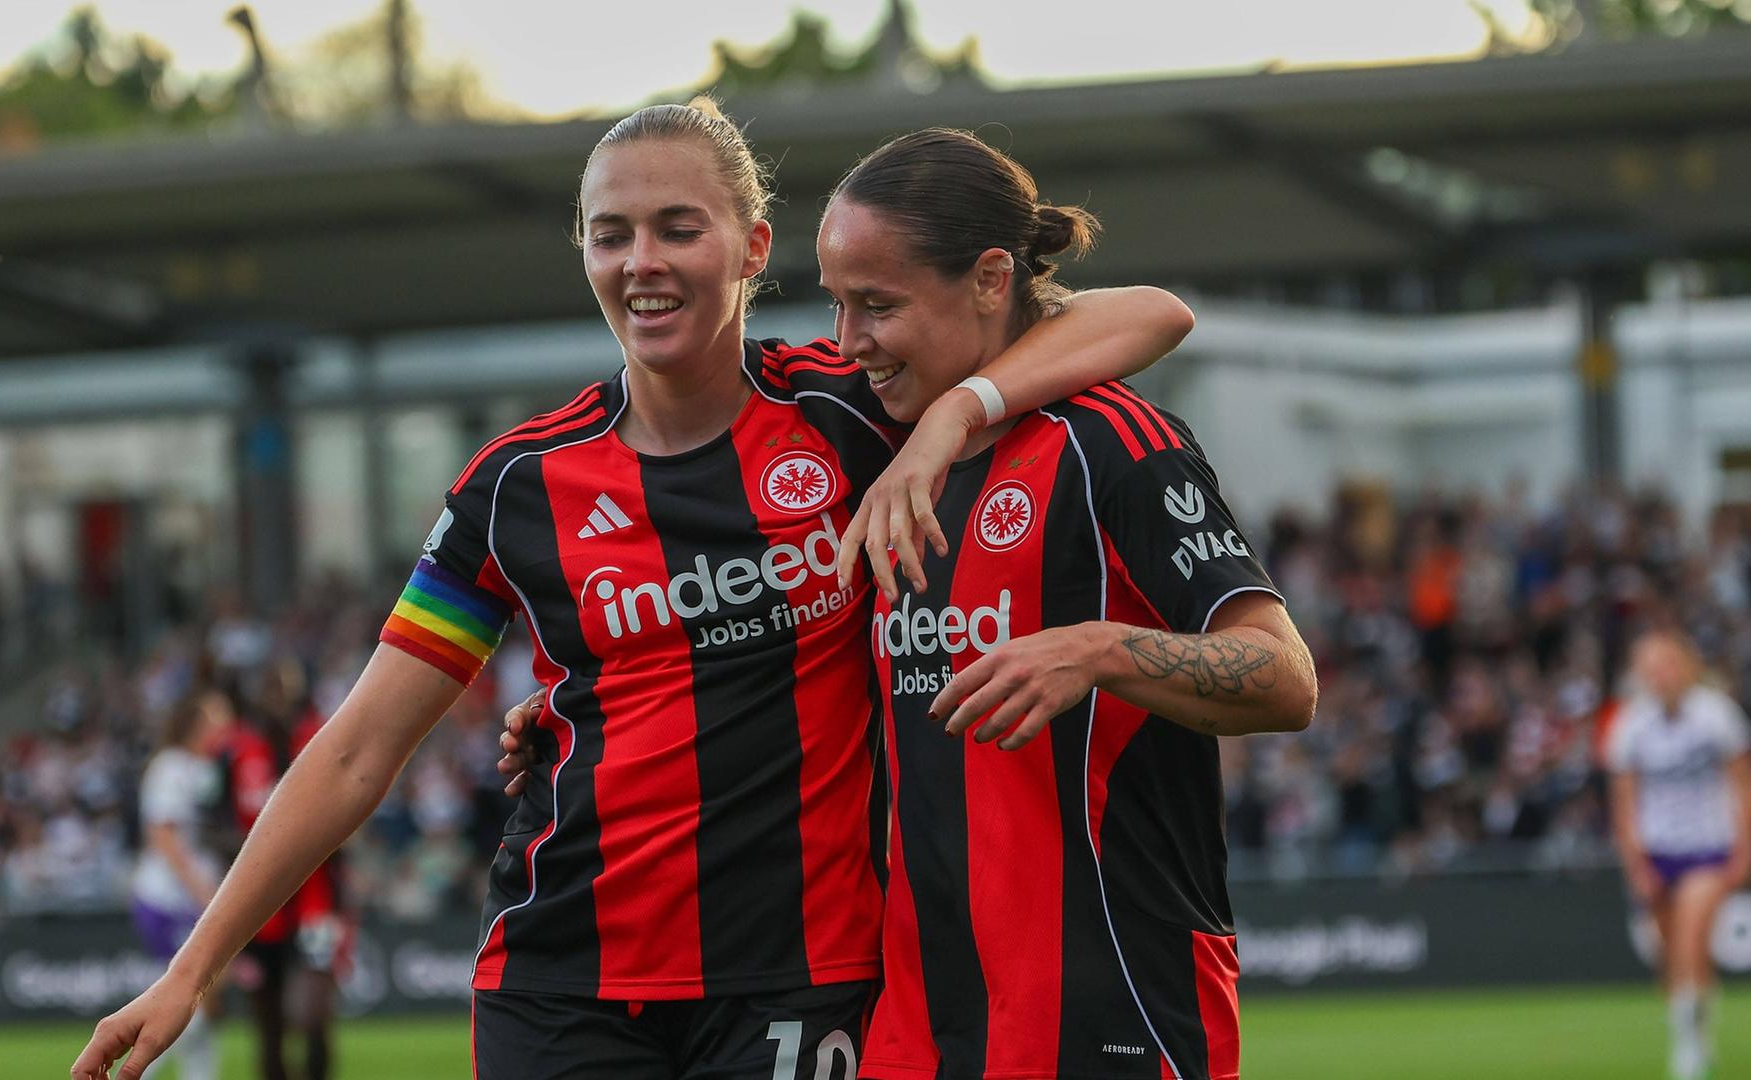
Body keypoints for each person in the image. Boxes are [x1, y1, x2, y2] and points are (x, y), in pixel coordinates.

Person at [72, 97, 1191, 1080]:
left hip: (796, 983)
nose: (641, 260)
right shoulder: (514, 490)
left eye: (677, 228)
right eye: (611, 235)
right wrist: (189, 973)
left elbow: (1146, 313)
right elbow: (361, 747)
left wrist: (958, 411)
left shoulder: (852, 410)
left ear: (753, 246)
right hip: (560, 984)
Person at [815, 128, 1317, 1080]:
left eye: (877, 306)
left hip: (1113, 1005)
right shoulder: (876, 443)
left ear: (991, 278)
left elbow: (1286, 678)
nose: (850, 342)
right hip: (920, 1024)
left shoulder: (1114, 444)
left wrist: (1096, 650)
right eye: (838, 305)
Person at [1607, 628, 1751, 1080]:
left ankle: (1687, 1052)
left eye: (1666, 664)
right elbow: (1624, 804)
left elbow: (1742, 787)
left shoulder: (1718, 717)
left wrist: (1744, 850)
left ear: (1686, 665)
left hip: (1709, 848)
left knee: (1691, 941)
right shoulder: (1630, 725)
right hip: (1658, 850)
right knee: (1671, 956)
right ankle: (1696, 1032)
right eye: (1649, 668)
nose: (1660, 675)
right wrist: (1636, 863)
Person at [225, 657, 347, 1080]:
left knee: (314, 1016)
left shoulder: (320, 739)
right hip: (259, 909)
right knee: (268, 1025)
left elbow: (350, 808)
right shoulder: (235, 751)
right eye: (270, 688)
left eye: (284, 687)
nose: (277, 697)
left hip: (316, 900)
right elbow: (212, 821)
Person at [129, 689, 234, 1080]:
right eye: (218, 717)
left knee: (205, 1003)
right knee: (181, 1002)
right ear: (196, 724)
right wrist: (206, 895)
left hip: (198, 898)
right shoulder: (170, 767)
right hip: (169, 899)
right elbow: (165, 838)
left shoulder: (207, 769)